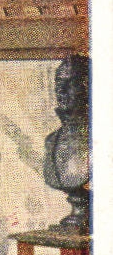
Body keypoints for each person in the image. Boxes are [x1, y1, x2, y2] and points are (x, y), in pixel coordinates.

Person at [41, 56, 89, 233]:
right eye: (58, 83)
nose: (60, 90)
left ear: (86, 86)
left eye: (69, 83)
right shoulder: (51, 141)